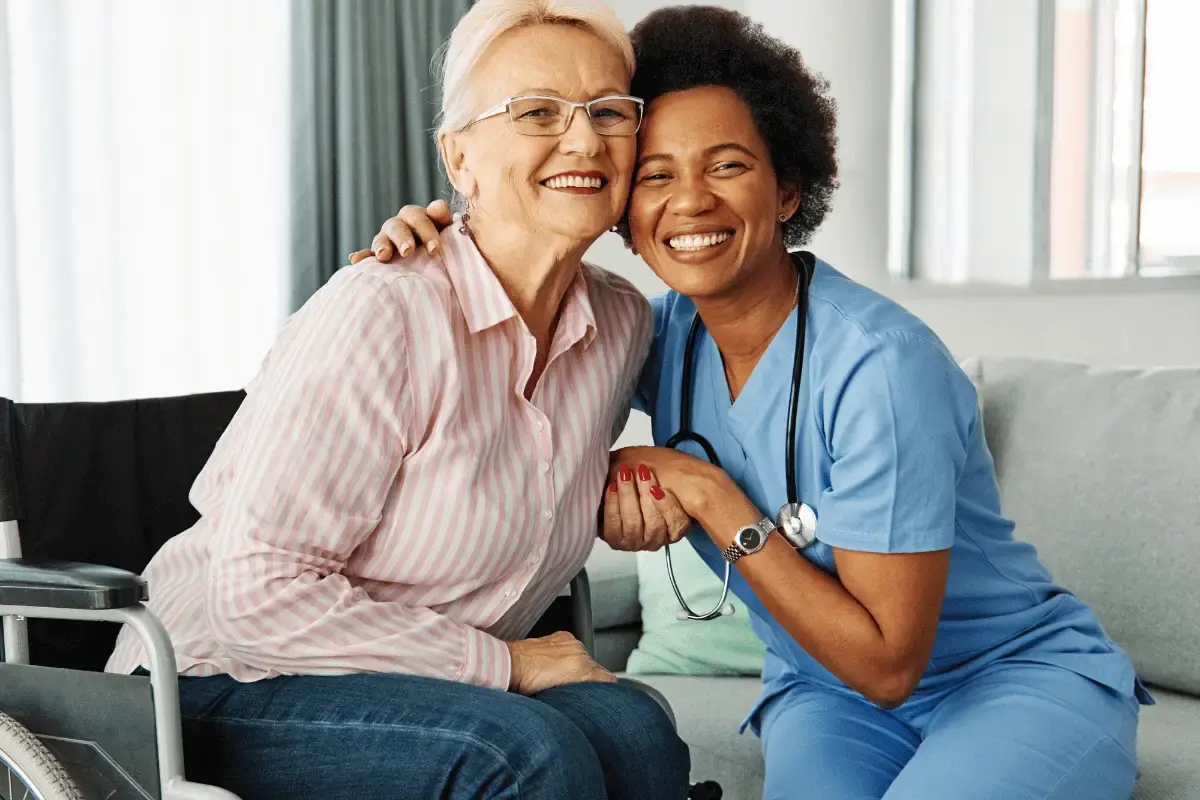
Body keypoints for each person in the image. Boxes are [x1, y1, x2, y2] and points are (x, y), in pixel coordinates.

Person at [353, 6, 1153, 799]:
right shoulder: (649, 332)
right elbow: (510, 348)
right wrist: (438, 245)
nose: (691, 201)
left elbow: (886, 663)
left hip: (1007, 678)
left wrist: (704, 491)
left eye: (727, 166)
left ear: (787, 188)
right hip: (826, 690)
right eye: (657, 174)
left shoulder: (881, 367)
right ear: (627, 210)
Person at [103, 1, 692, 798]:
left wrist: (630, 472)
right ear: (459, 156)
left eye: (608, 112)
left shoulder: (621, 323)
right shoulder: (383, 311)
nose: (584, 139)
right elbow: (254, 596)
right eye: (538, 112)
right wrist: (506, 663)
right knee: (526, 753)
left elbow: (662, 410)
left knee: (638, 732)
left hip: (427, 688)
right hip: (212, 682)